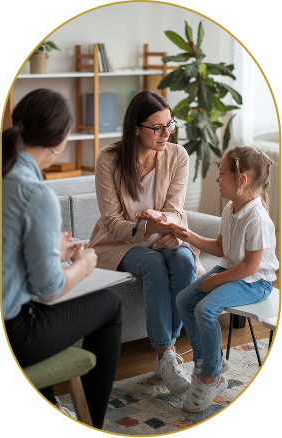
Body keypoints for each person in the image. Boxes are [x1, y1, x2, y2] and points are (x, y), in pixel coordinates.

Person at [2, 88, 122, 429]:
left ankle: (47, 405)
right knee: (110, 305)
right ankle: (92, 426)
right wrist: (82, 267)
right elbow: (50, 289)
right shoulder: (36, 192)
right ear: (60, 139)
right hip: (13, 335)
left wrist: (50, 252)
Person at [87, 90, 205, 395]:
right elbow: (112, 222)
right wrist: (144, 228)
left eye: (170, 124)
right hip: (120, 243)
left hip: (166, 234)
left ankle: (168, 356)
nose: (166, 133)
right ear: (136, 128)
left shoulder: (177, 155)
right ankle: (165, 355)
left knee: (183, 261)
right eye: (157, 127)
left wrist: (165, 226)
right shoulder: (109, 159)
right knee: (153, 263)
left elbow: (177, 208)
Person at [175, 145, 279, 412]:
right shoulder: (231, 208)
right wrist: (186, 234)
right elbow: (222, 249)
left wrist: (214, 281)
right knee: (184, 300)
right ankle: (209, 361)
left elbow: (250, 267)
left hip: (255, 281)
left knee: (205, 309)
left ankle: (210, 376)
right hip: (233, 268)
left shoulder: (257, 218)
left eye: (221, 173)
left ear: (241, 180)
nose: (217, 179)